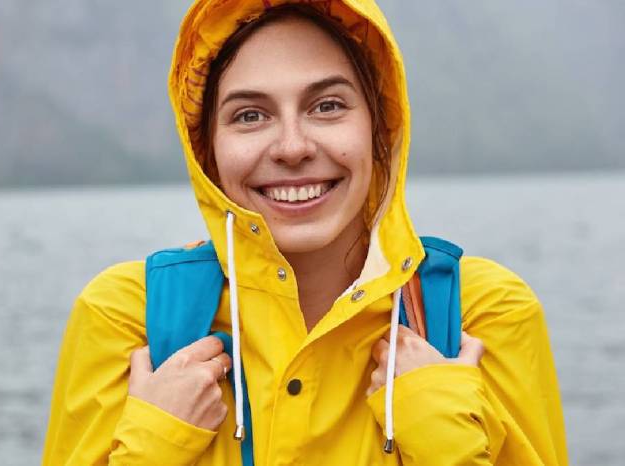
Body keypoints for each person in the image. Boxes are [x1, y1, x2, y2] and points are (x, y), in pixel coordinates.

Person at [42, 1, 568, 464]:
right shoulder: (126, 320)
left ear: (379, 127)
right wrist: (151, 449)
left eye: (328, 106)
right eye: (250, 115)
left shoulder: (485, 316)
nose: (292, 146)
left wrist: (447, 443)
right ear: (208, 150)